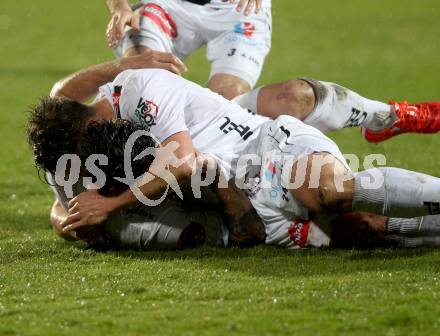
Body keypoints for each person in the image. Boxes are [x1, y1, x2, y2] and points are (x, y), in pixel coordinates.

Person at [26, 56, 440, 249]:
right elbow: (64, 206)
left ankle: (387, 117)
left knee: (327, 191)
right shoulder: (90, 134)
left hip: (265, 145)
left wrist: (111, 204)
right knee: (364, 227)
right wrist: (66, 218)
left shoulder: (140, 90)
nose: (86, 169)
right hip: (246, 199)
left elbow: (184, 161)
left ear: (90, 126)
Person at [105, 0, 272, 100]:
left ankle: (207, 157)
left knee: (228, 98)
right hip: (166, 5)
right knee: (143, 80)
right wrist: (120, 7)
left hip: (238, 9)